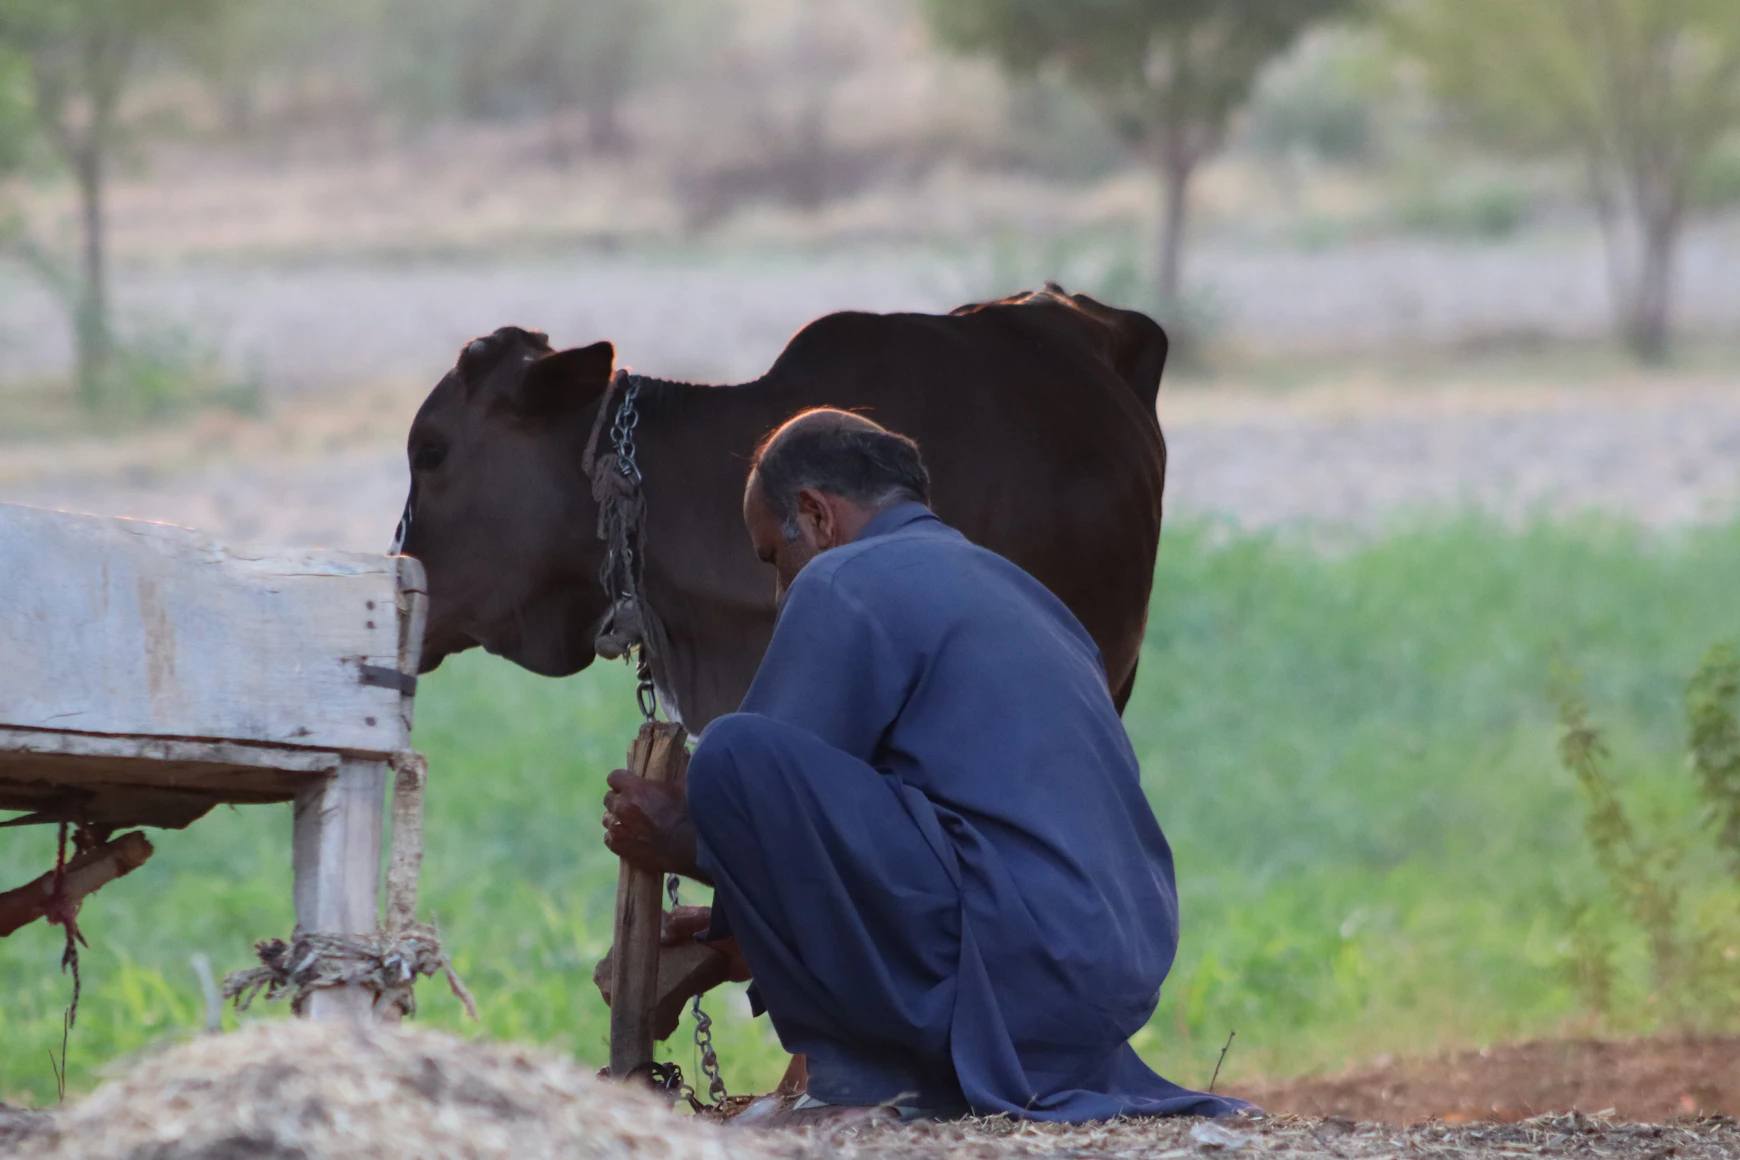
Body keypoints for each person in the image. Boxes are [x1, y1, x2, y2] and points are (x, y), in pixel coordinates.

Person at [602, 408, 1250, 1126]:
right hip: (1107, 978)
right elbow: (880, 831)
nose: (779, 590)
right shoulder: (1022, 591)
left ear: (816, 515)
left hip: (1012, 962)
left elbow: (758, 799)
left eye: (770, 559)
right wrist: (734, 939)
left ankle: (864, 1088)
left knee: (732, 754)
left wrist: (679, 836)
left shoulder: (844, 576)